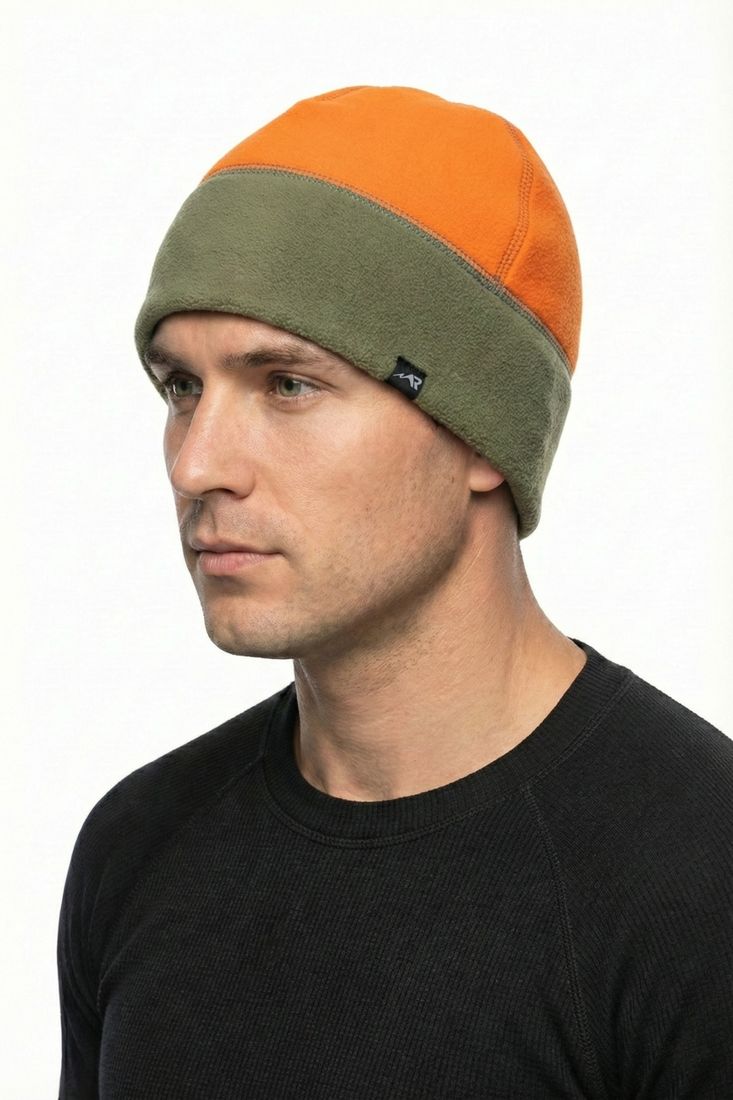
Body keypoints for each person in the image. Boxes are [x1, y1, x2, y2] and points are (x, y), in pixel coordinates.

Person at [57, 85, 732, 1099]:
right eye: (181, 387)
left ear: (480, 434)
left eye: (287, 384)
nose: (197, 464)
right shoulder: (139, 846)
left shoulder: (696, 878)